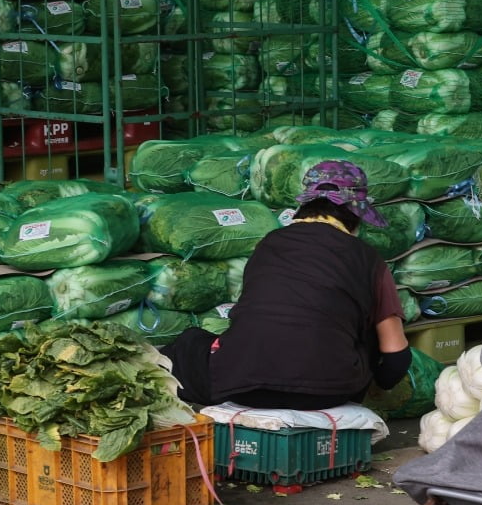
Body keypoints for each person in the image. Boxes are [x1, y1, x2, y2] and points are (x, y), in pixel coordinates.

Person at [162, 161, 412, 410]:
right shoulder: (369, 259)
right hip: (329, 392)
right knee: (371, 329)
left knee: (190, 343)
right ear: (356, 212)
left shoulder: (268, 244)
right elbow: (396, 359)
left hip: (242, 387)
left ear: (304, 205)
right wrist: (380, 384)